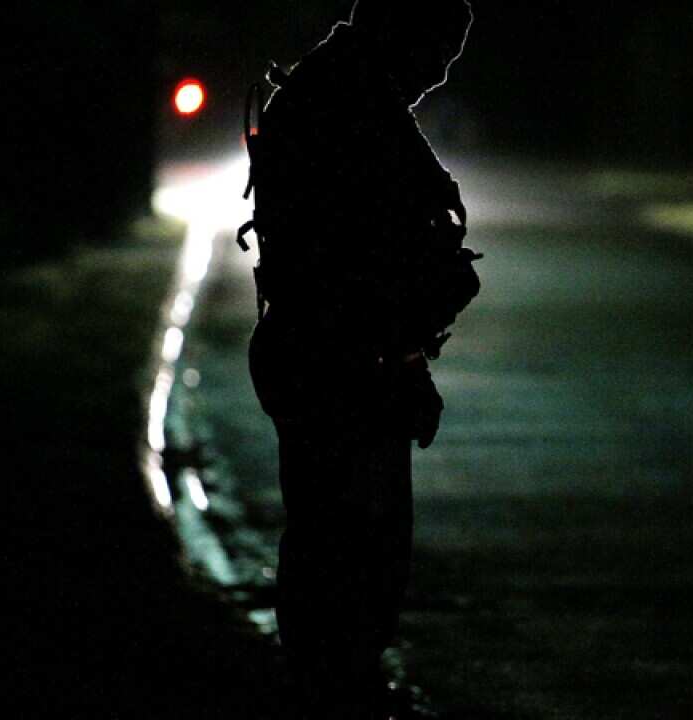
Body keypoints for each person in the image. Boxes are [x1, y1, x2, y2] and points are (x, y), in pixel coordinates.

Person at [240, 1, 478, 717]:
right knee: (346, 548)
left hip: (342, 355)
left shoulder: (347, 91)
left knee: (349, 544)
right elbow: (351, 262)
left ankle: (338, 683)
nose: (436, 79)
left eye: (450, 65)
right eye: (435, 58)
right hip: (333, 360)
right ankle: (334, 691)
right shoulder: (348, 106)